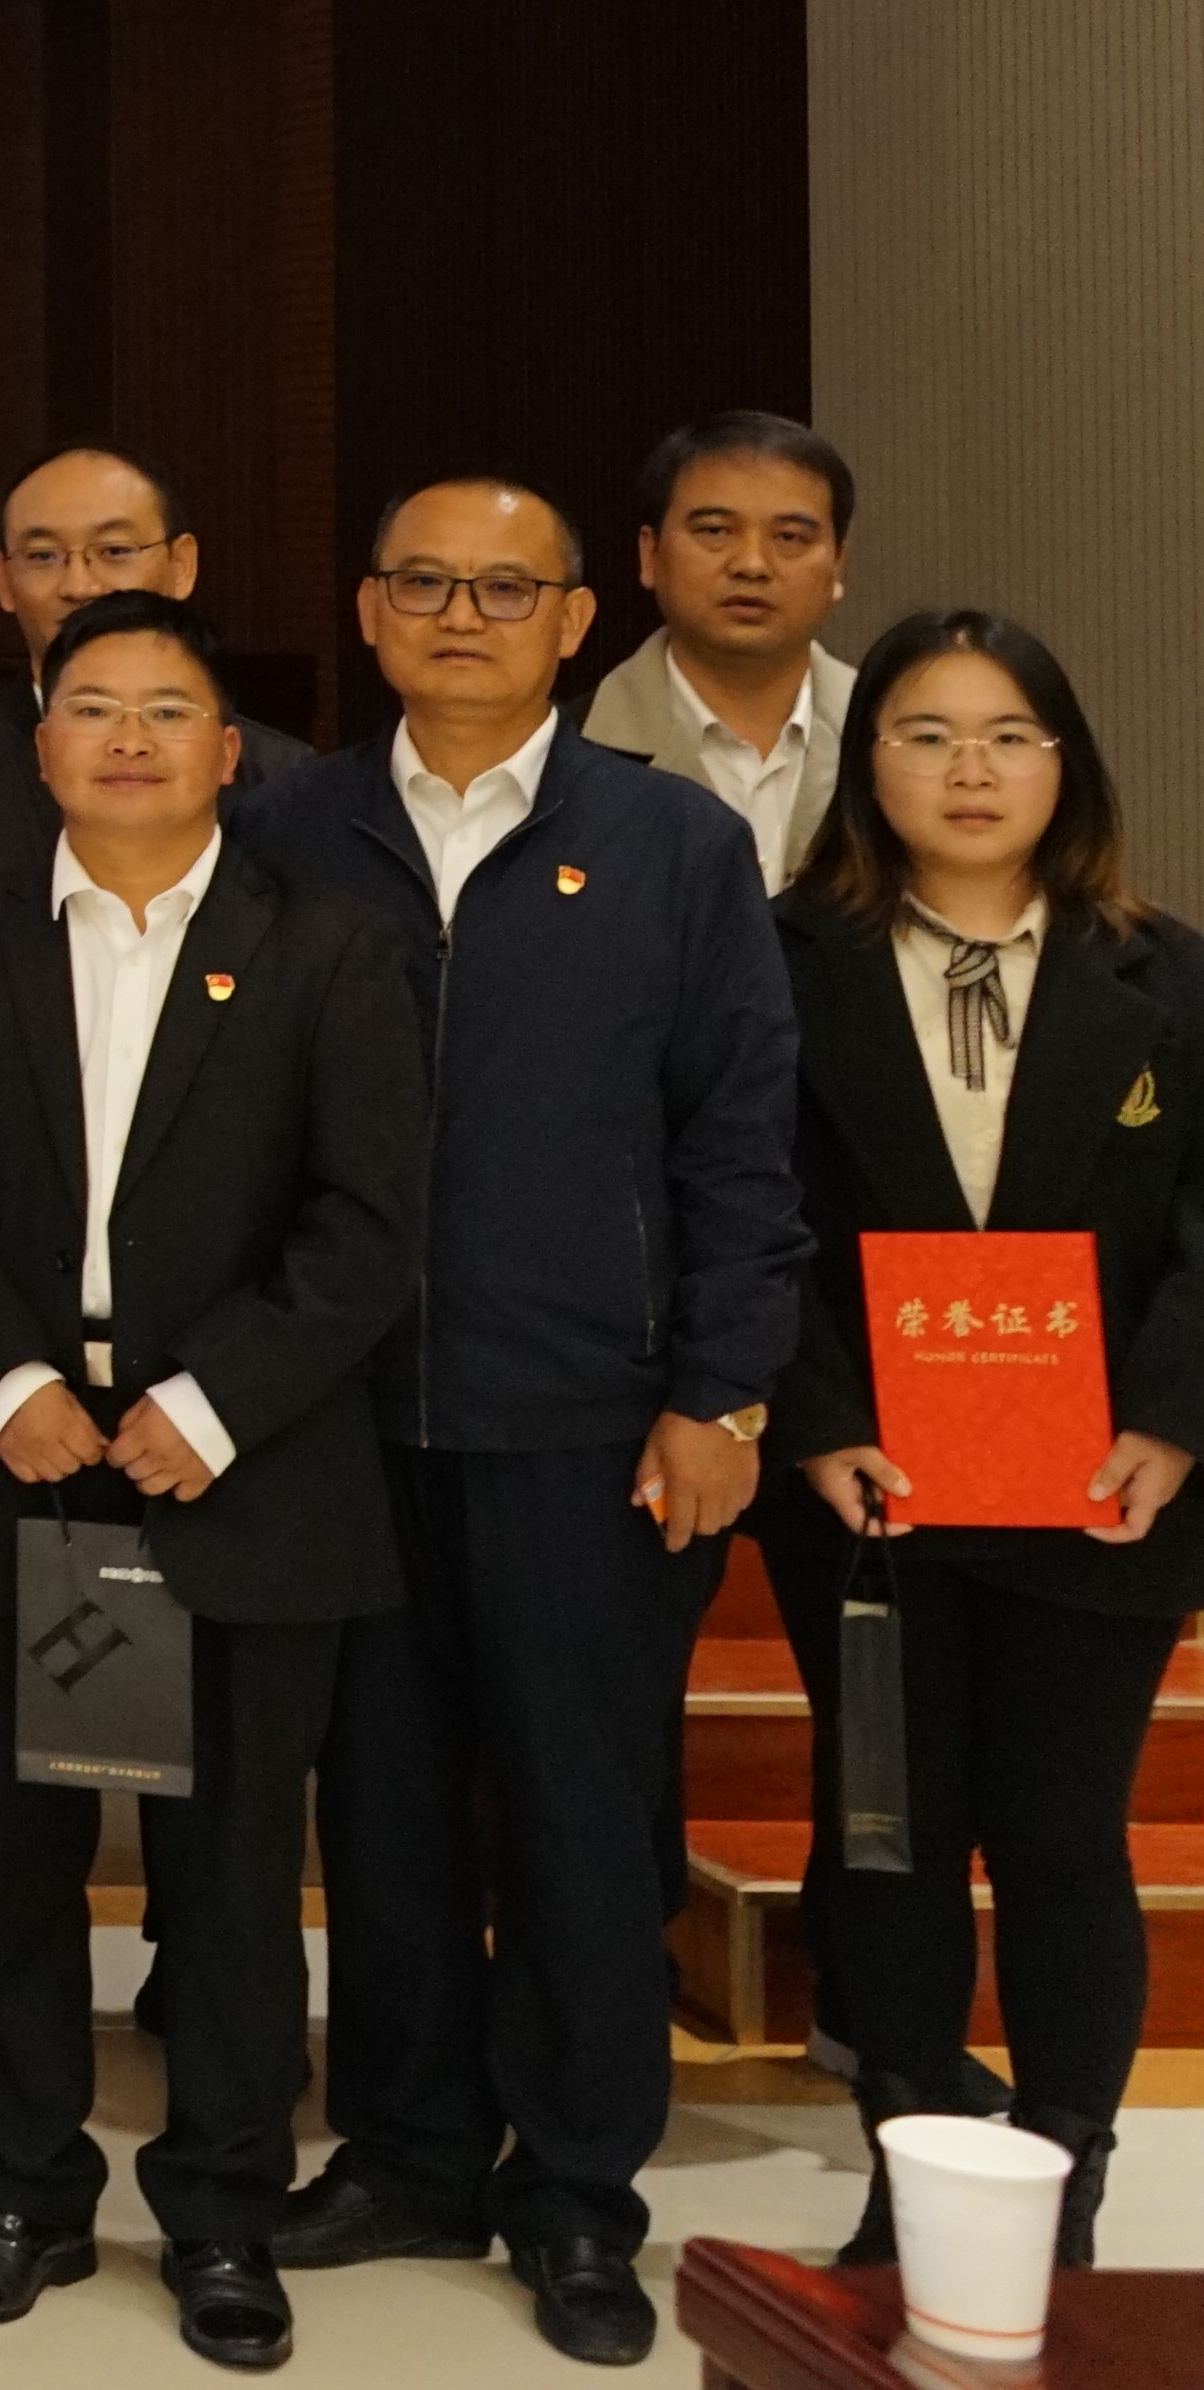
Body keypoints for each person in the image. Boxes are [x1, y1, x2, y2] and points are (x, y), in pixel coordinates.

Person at [252, 476, 800, 2368]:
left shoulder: (670, 842)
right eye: (425, 582)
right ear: (369, 608)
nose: (462, 614)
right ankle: (409, 2149)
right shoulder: (289, 825)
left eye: (506, 587)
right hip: (339, 1421)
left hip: (590, 1417)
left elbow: (742, 1136)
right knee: (383, 1805)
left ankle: (576, 2188)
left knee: (582, 1814)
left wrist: (721, 1385)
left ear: (578, 618)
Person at [0, 587, 420, 2372]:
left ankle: (221, 2208)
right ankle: (21, 2190)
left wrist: (214, 1400)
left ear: (230, 748)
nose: (128, 735)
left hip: (248, 1475)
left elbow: (370, 1225)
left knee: (233, 1876)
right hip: (22, 1465)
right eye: (93, 704)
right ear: (40, 741)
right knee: (10, 1857)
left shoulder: (333, 946)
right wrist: (8, 1380)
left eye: (168, 707)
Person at [761, 610, 1203, 2271]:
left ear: (1063, 762)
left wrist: (1170, 1419)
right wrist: (816, 1418)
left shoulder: (1170, 974)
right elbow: (743, 1205)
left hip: (1102, 1488)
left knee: (1063, 1835)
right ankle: (912, 2166)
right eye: (927, 732)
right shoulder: (776, 960)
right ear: (865, 759)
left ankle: (1063, 2179)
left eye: (1010, 733)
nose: (971, 768)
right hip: (869, 1487)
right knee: (889, 1837)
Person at [0, 446, 318, 910]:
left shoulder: (286, 782)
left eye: (114, 551)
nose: (79, 586)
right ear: (2, 579)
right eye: (42, 556)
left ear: (182, 565)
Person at [578, 411, 864, 894]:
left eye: (790, 538)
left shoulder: (893, 740)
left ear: (837, 565)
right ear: (649, 554)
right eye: (714, 531)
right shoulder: (562, 753)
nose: (751, 564)